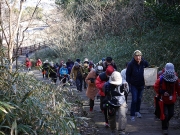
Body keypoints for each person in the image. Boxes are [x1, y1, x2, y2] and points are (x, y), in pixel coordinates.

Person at [154, 63, 180, 135]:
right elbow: (155, 87)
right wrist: (162, 92)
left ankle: (165, 122)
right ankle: (164, 128)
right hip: (163, 100)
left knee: (171, 114)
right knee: (165, 114)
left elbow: (178, 88)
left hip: (172, 100)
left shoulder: (176, 79)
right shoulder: (161, 79)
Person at [126, 50, 149, 121]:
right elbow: (128, 74)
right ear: (134, 56)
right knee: (134, 99)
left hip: (141, 84)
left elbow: (149, 71)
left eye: (139, 56)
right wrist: (128, 83)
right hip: (133, 84)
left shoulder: (144, 63)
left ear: (141, 56)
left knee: (139, 98)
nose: (138, 57)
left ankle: (137, 111)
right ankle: (132, 114)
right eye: (136, 56)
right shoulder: (131, 64)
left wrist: (148, 82)